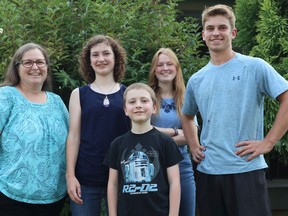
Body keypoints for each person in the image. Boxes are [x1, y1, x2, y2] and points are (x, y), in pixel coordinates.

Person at [181, 4, 288, 216]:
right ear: (203, 34)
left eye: (222, 27)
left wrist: (268, 142)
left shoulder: (255, 67)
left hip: (245, 170)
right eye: (210, 29)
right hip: (208, 172)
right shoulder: (197, 79)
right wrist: (193, 145)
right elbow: (187, 114)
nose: (216, 33)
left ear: (233, 32)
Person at [0, 43, 69, 216]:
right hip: (12, 196)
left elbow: (72, 142)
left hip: (54, 198)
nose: (35, 67)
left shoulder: (57, 102)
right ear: (17, 67)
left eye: (40, 62)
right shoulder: (6, 96)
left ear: (46, 67)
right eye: (28, 62)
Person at [66, 35, 131, 216]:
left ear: (116, 58)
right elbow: (74, 136)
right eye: (95, 55)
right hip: (85, 179)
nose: (101, 59)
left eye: (106, 54)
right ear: (89, 61)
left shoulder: (128, 94)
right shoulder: (78, 94)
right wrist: (70, 176)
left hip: (122, 178)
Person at [103, 82, 183, 216]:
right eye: (132, 102)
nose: (138, 105)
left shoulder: (166, 142)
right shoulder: (117, 144)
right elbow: (112, 184)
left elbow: (174, 182)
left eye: (144, 100)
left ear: (154, 108)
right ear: (125, 110)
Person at [148, 48, 196, 216]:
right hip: (153, 167)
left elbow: (191, 137)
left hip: (181, 165)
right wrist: (177, 132)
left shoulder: (186, 98)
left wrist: (156, 132)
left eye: (169, 64)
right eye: (160, 65)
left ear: (176, 68)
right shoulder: (147, 97)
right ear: (154, 69)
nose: (165, 68)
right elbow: (142, 134)